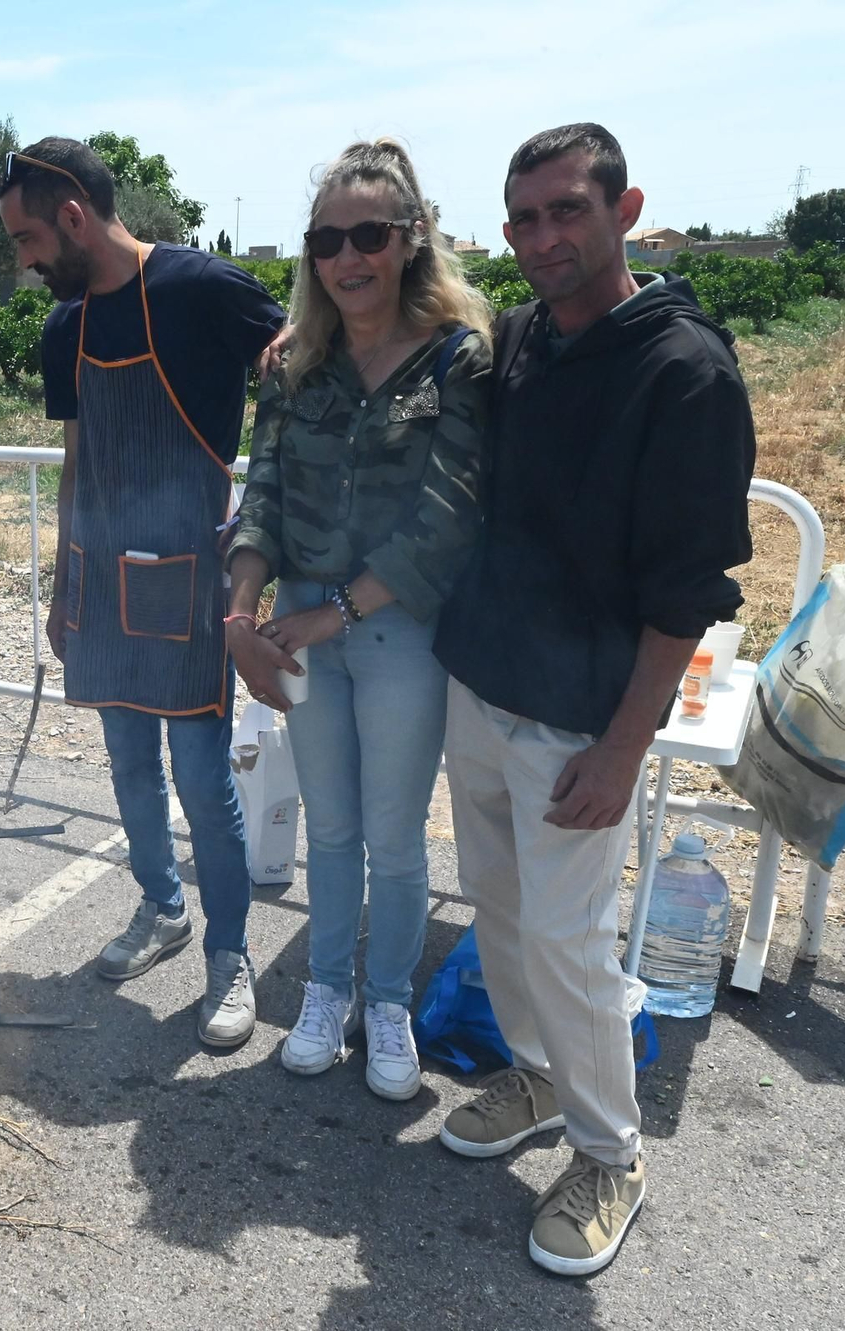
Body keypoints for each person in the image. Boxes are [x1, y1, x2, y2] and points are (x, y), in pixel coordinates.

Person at [432, 124, 755, 1276]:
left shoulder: (683, 372)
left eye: (565, 210)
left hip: (580, 715)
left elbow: (686, 591)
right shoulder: (522, 341)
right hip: (484, 681)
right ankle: (528, 1072)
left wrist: (624, 747)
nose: (540, 237)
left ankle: (609, 1150)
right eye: (521, 218)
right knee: (499, 907)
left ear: (624, 211)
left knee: (570, 941)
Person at [0, 137, 284, 1048]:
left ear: (74, 216)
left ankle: (229, 954)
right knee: (126, 764)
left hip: (190, 580)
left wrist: (269, 518)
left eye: (29, 239)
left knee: (203, 779)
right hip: (99, 578)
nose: (26, 261)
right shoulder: (64, 329)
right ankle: (163, 908)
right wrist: (61, 579)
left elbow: (298, 369)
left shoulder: (204, 290)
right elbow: (78, 456)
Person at [224, 139, 493, 1098]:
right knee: (330, 828)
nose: (349, 257)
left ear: (411, 239)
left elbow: (447, 517)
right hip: (299, 623)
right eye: (328, 238)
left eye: (369, 234)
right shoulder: (293, 363)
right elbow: (259, 493)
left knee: (394, 835)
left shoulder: (460, 357)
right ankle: (327, 989)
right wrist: (240, 612)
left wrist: (333, 614)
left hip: (394, 633)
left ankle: (388, 1000)